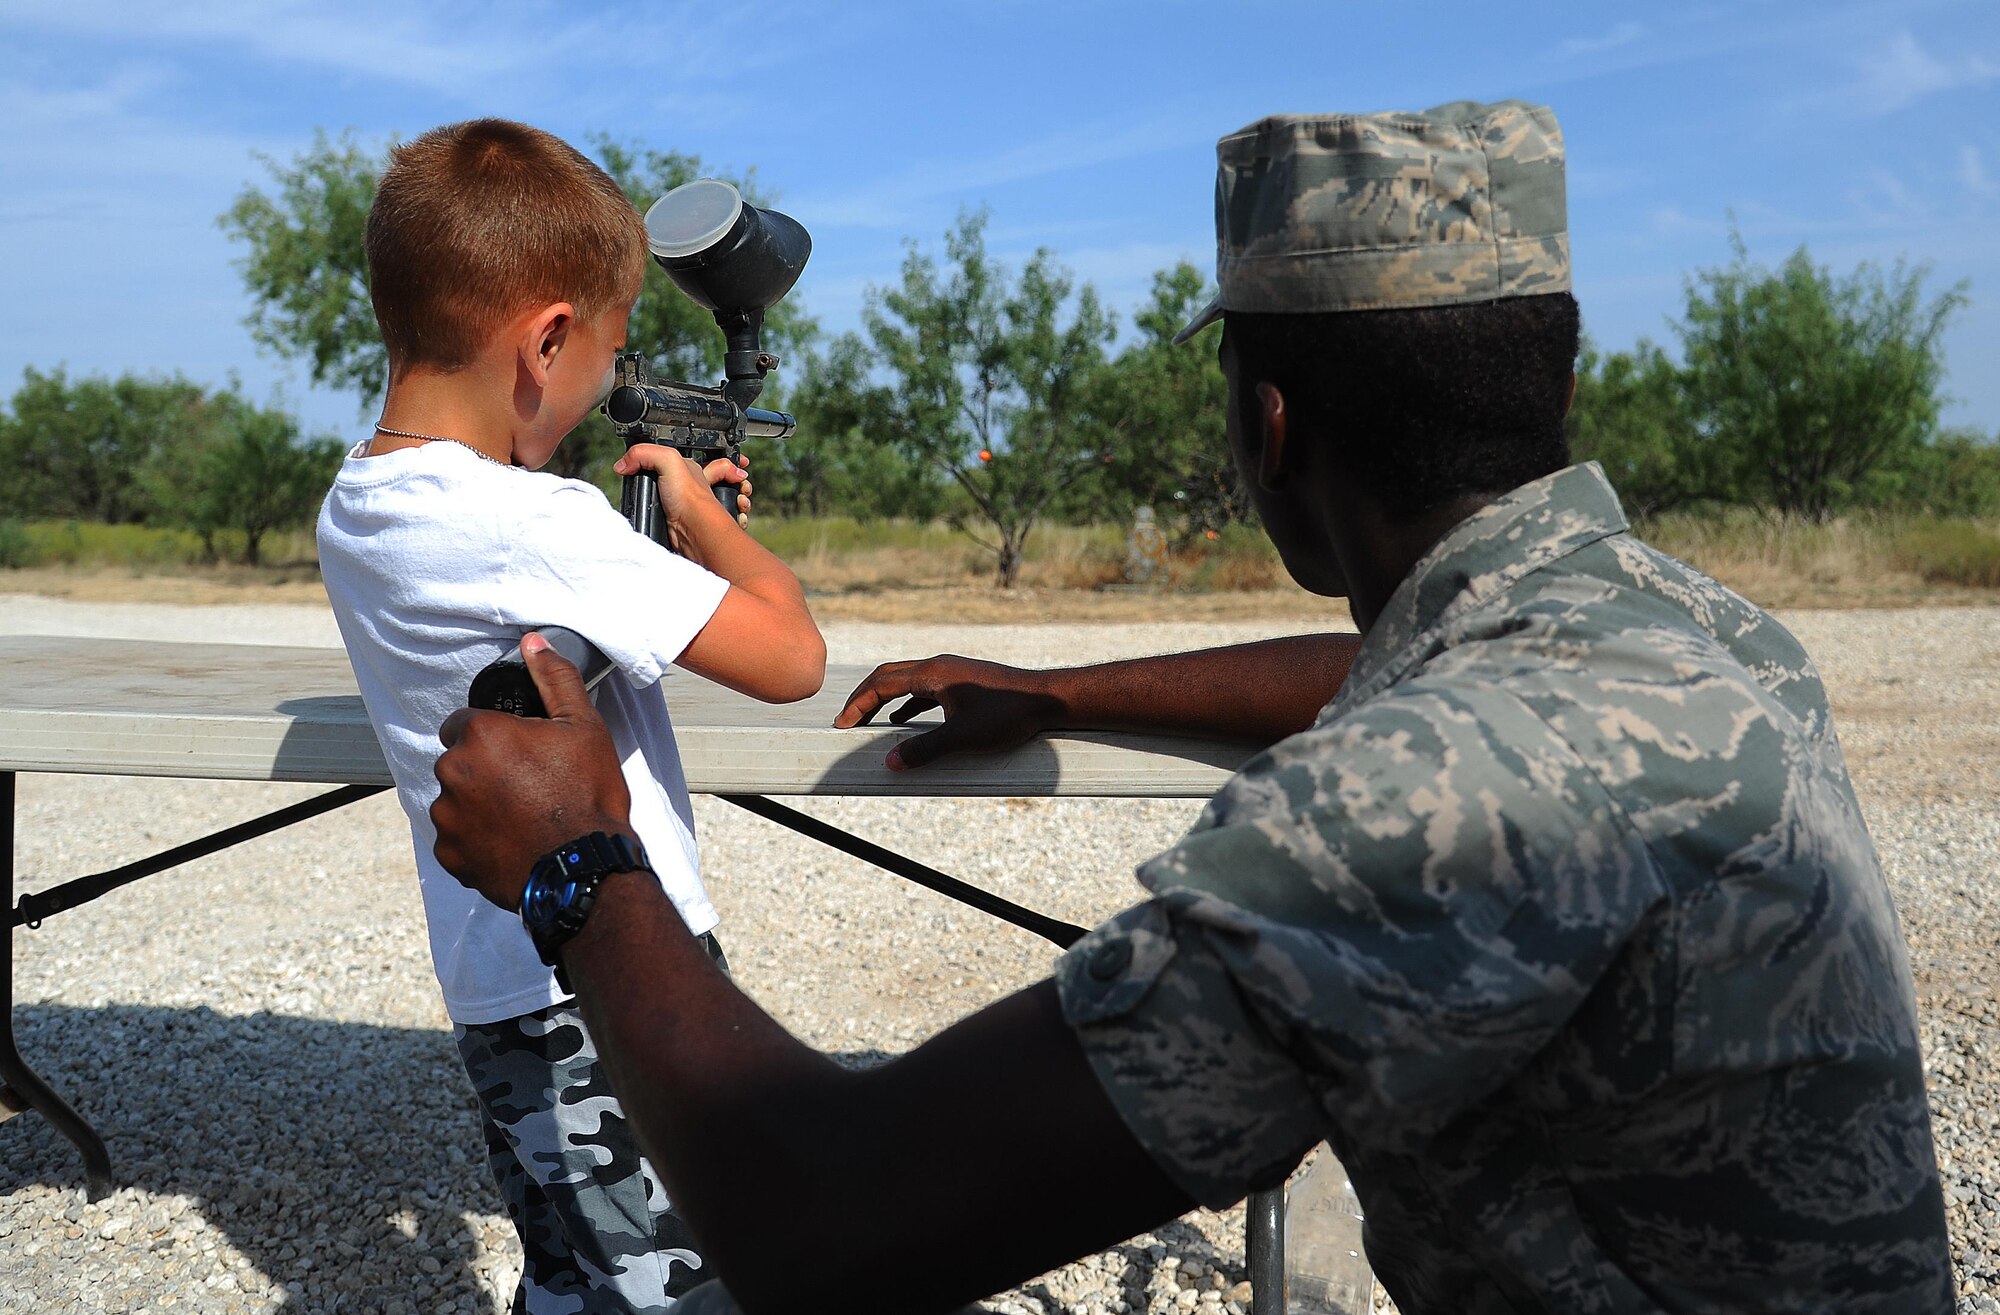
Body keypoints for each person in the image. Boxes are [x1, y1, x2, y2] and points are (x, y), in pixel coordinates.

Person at [427, 101, 1954, 1314]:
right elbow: (1401, 669)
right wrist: (1064, 687)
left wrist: (578, 863)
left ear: (1270, 426)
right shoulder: (1695, 627)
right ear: (1547, 390)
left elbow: (827, 1219)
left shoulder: (1402, 819)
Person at [316, 118, 826, 1313]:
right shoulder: (542, 528)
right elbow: (790, 655)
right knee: (676, 1277)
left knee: (573, 1257)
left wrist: (645, 544)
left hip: (499, 981)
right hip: (617, 960)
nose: (611, 378)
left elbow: (539, 630)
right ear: (546, 340)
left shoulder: (358, 505)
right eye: (611, 349)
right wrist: (706, 523)